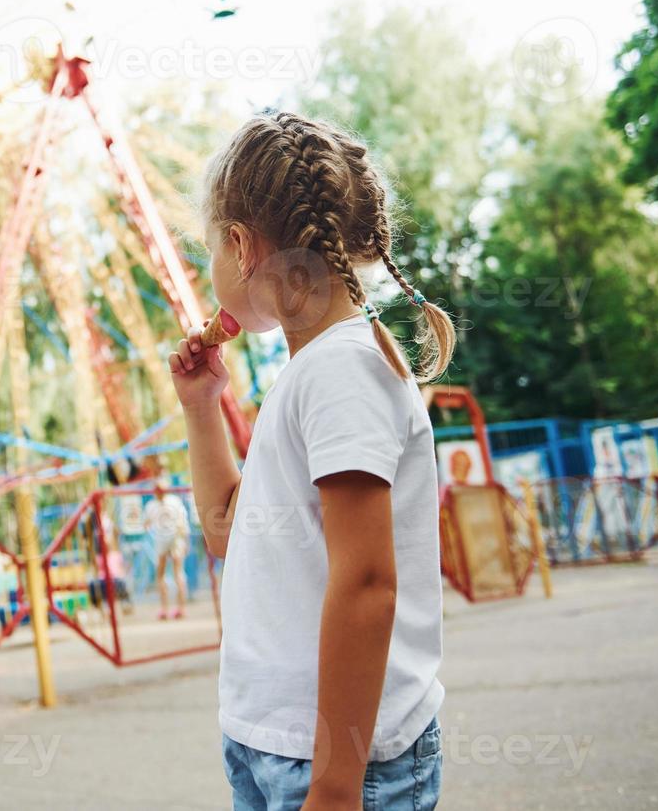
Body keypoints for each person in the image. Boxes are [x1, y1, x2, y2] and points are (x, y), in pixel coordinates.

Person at [168, 112, 455, 811]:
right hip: (273, 745)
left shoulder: (341, 373)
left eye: (208, 250)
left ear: (239, 246)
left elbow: (366, 583)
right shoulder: (308, 375)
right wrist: (202, 409)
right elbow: (227, 533)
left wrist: (333, 785)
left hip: (341, 766)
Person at [143, 487, 191, 619]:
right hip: (171, 539)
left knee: (170, 574)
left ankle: (170, 609)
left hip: (168, 540)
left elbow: (146, 525)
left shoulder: (153, 505)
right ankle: (175, 609)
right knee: (174, 573)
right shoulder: (172, 501)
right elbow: (183, 522)